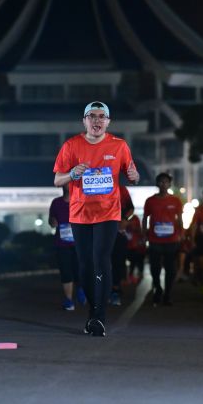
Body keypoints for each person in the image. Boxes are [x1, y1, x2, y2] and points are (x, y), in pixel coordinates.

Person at [53, 101, 139, 336]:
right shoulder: (71, 145)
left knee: (101, 259)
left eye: (102, 116)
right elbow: (57, 180)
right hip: (80, 214)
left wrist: (134, 176)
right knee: (85, 265)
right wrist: (72, 174)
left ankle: (99, 316)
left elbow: (132, 175)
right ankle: (93, 312)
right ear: (84, 121)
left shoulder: (119, 145)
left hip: (108, 212)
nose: (97, 120)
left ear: (108, 122)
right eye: (92, 116)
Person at [142, 172, 183, 306]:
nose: (163, 184)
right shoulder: (150, 201)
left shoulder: (176, 201)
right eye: (161, 181)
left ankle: (168, 294)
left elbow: (179, 219)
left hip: (172, 240)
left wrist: (181, 233)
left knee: (171, 268)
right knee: (155, 267)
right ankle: (158, 288)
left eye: (166, 182)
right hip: (155, 240)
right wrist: (144, 234)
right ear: (157, 184)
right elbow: (145, 218)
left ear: (169, 184)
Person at [48, 184, 86, 311]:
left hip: (79, 244)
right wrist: (52, 221)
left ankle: (81, 289)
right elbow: (51, 220)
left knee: (79, 270)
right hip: (62, 243)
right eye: (65, 183)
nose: (67, 185)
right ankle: (69, 300)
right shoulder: (56, 203)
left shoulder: (81, 201)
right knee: (66, 271)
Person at [109, 185, 134, 306]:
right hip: (100, 230)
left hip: (118, 231)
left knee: (117, 261)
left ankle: (115, 290)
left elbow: (131, 208)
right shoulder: (94, 186)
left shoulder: (122, 189)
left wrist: (124, 219)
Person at [125, 214, 146, 284]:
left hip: (136, 248)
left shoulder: (133, 228)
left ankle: (135, 274)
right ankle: (132, 275)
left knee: (137, 261)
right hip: (133, 248)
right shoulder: (129, 229)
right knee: (135, 262)